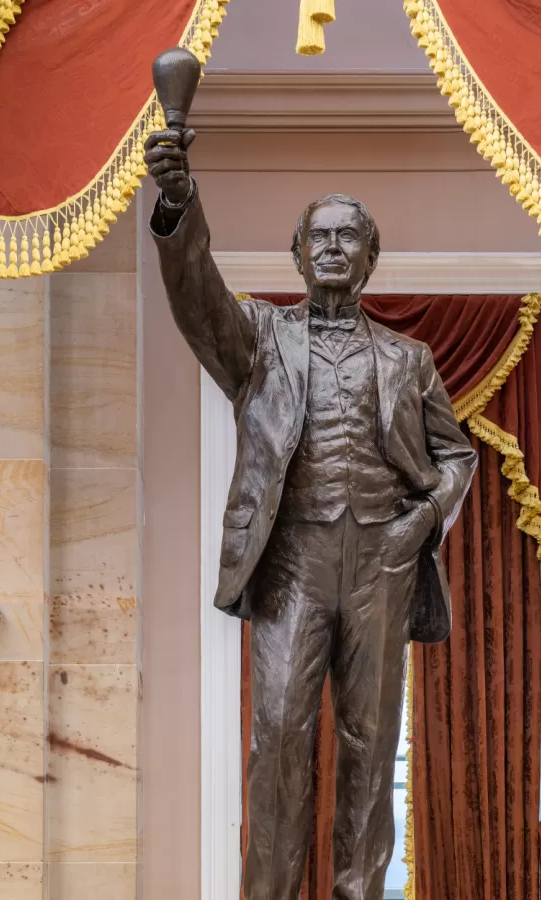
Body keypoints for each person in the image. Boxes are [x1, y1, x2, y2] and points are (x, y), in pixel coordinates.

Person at [145, 124, 477, 900]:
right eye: (319, 237)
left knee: (370, 744)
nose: (333, 248)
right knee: (281, 740)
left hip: (381, 567)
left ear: (369, 257)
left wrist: (419, 523)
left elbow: (455, 455)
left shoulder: (408, 359)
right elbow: (196, 300)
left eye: (348, 237)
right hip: (292, 561)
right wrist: (178, 199)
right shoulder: (259, 340)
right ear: (298, 255)